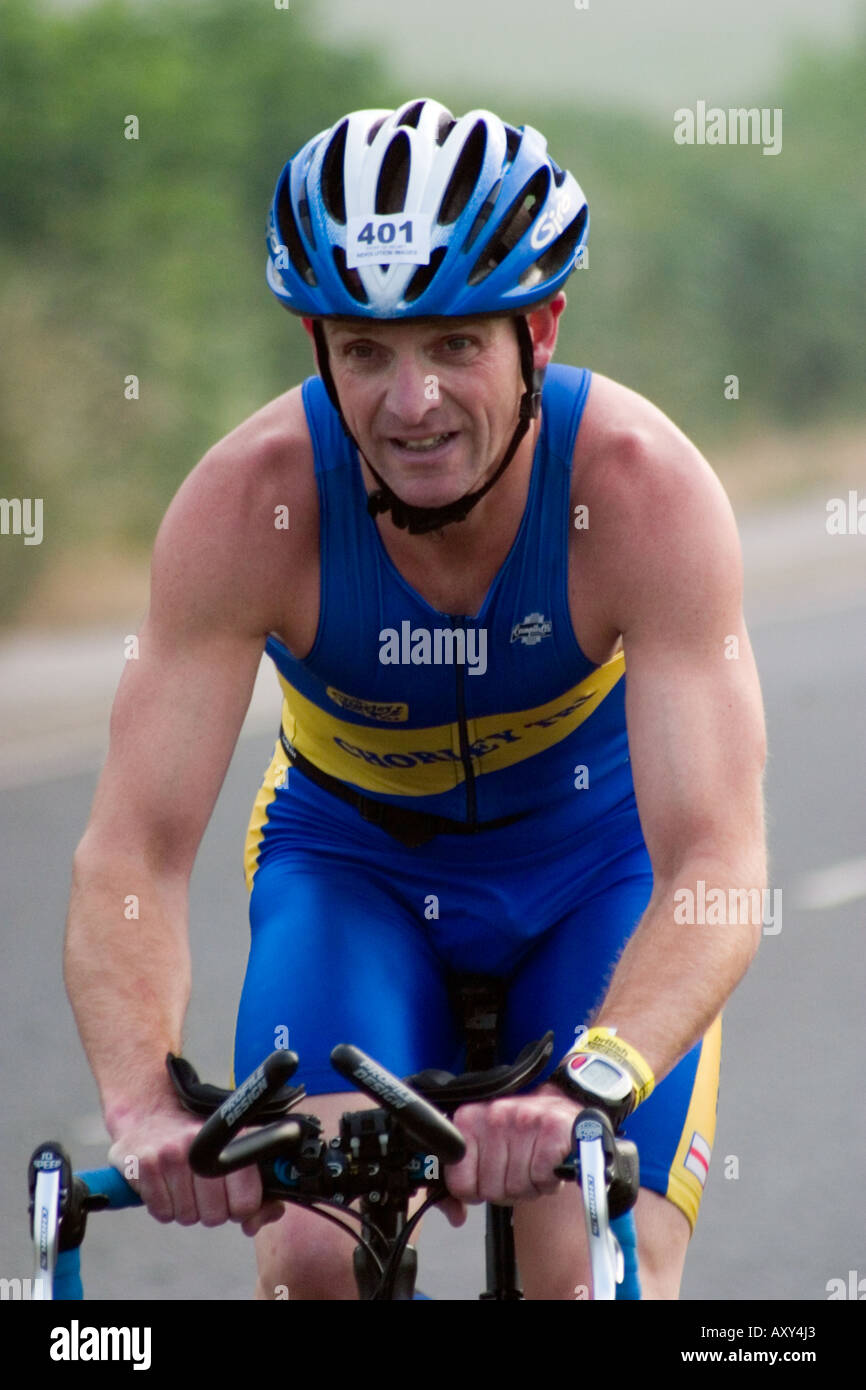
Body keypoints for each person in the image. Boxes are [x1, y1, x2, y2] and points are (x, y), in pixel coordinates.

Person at [65, 98, 767, 1300]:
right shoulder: (249, 506)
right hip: (353, 874)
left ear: (537, 330)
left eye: (452, 345)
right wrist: (140, 1101)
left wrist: (592, 1079)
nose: (409, 405)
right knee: (306, 1266)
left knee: (584, 1273)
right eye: (365, 352)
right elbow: (132, 848)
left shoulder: (641, 491)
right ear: (317, 351)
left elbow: (713, 856)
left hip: (594, 877)